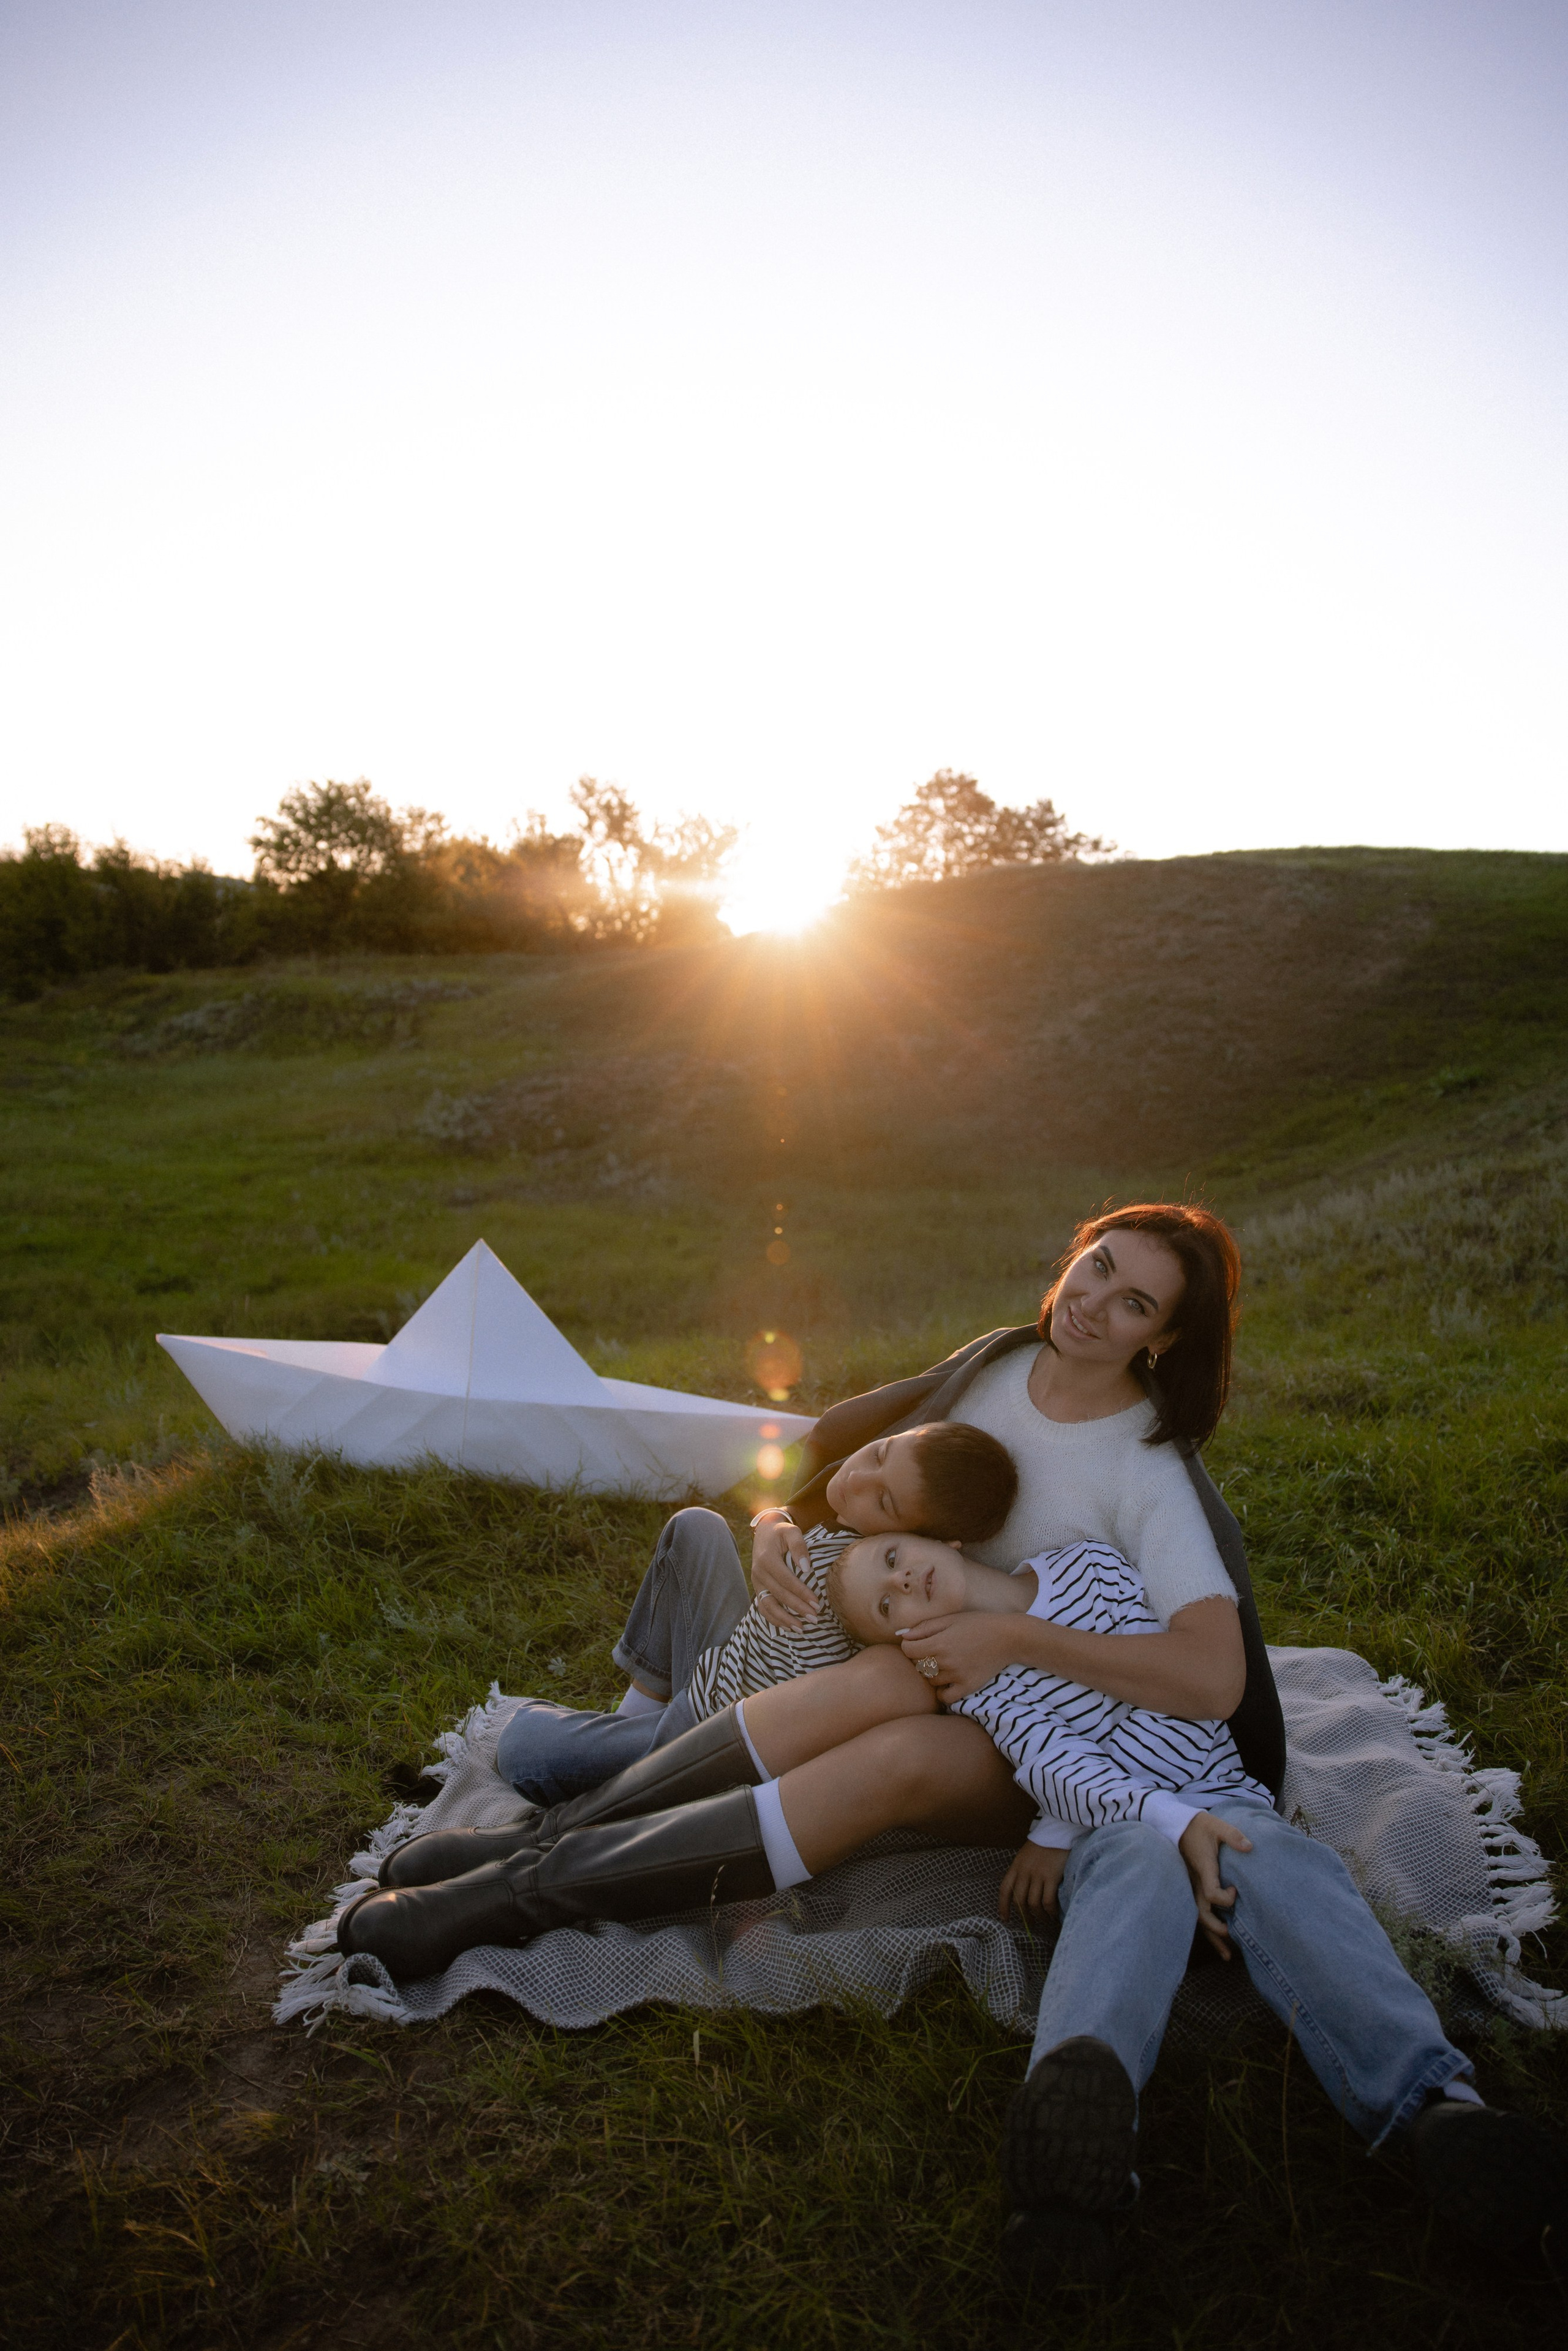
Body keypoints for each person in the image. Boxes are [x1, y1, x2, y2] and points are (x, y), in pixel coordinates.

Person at [339, 1204, 1567, 2266]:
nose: (1092, 1304)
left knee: (902, 1741)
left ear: (1164, 1336)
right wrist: (774, 1525)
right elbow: (828, 1467)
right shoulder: (989, 1365)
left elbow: (1206, 1671)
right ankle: (532, 1867)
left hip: (1027, 1715)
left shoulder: (1147, 1469)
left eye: (1131, 1297)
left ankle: (525, 1884)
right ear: (1068, 1260)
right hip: (927, 1662)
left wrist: (1012, 1648)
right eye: (1093, 1267)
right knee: (877, 1690)